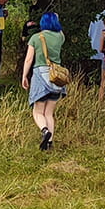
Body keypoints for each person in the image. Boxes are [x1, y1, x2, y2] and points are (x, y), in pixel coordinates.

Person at [21, 11, 67, 151]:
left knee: (38, 111)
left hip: (41, 75)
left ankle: (45, 131)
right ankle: (50, 144)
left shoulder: (35, 38)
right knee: (49, 113)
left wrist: (24, 76)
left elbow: (29, 59)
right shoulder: (61, 37)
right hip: (56, 77)